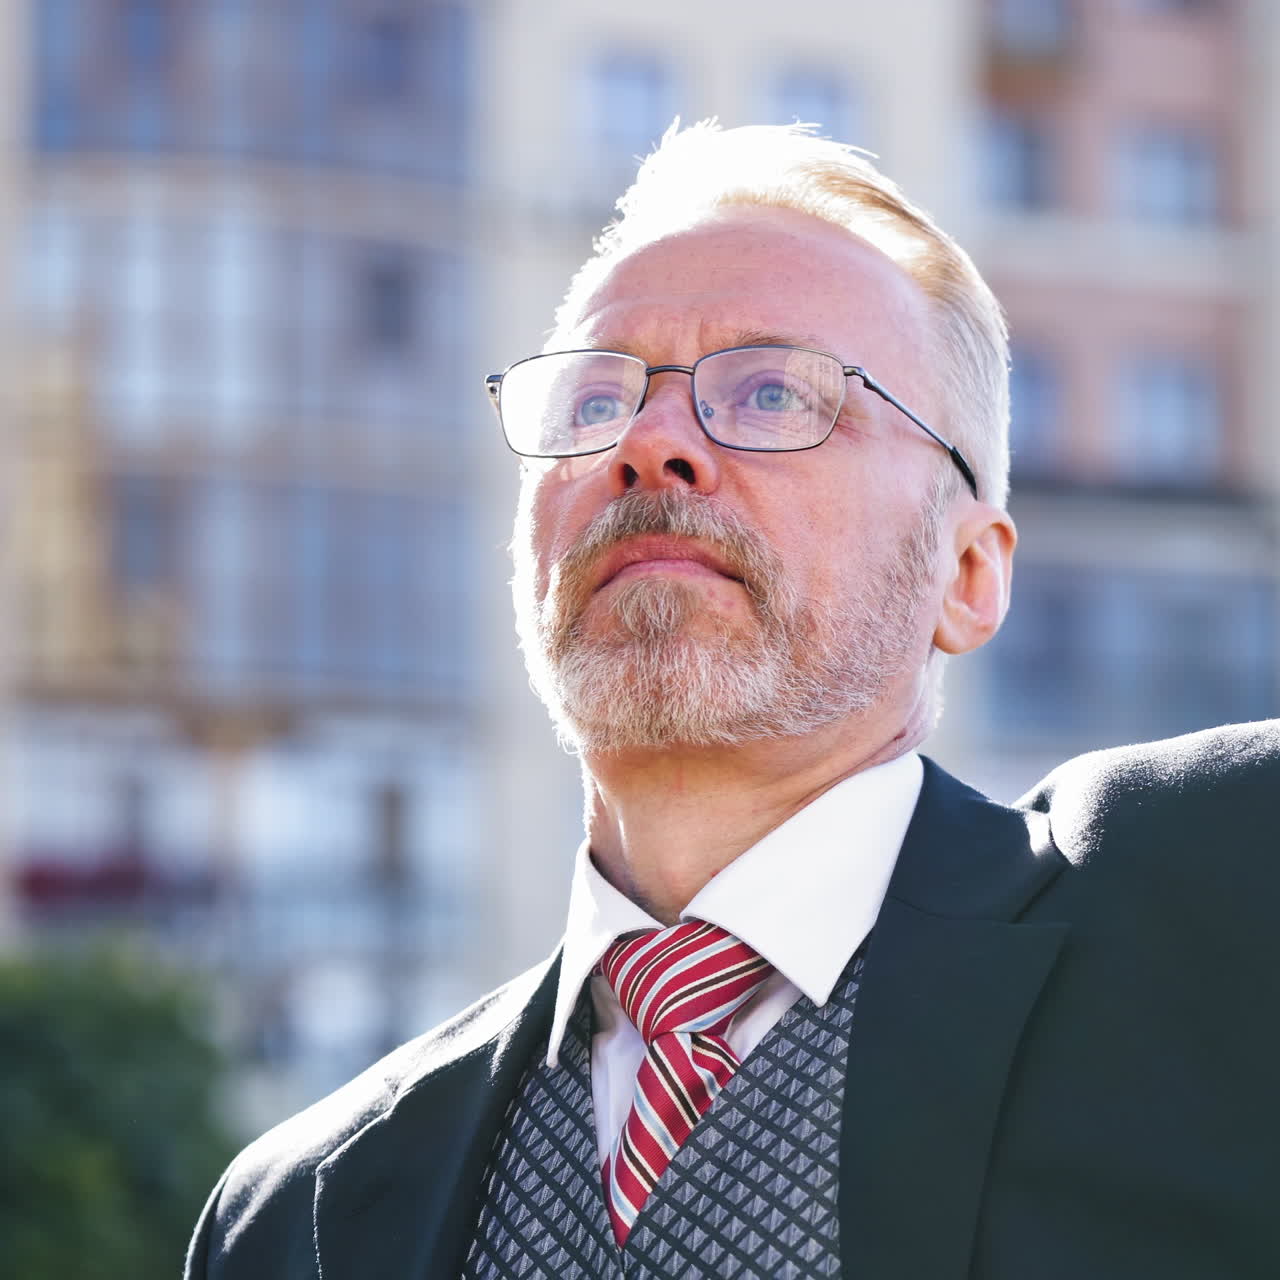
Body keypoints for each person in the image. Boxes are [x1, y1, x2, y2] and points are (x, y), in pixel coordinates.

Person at [186, 122, 1280, 1279]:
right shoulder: (295, 1216)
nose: (650, 444)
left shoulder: (1227, 892)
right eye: (593, 402)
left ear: (967, 573)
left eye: (770, 393)